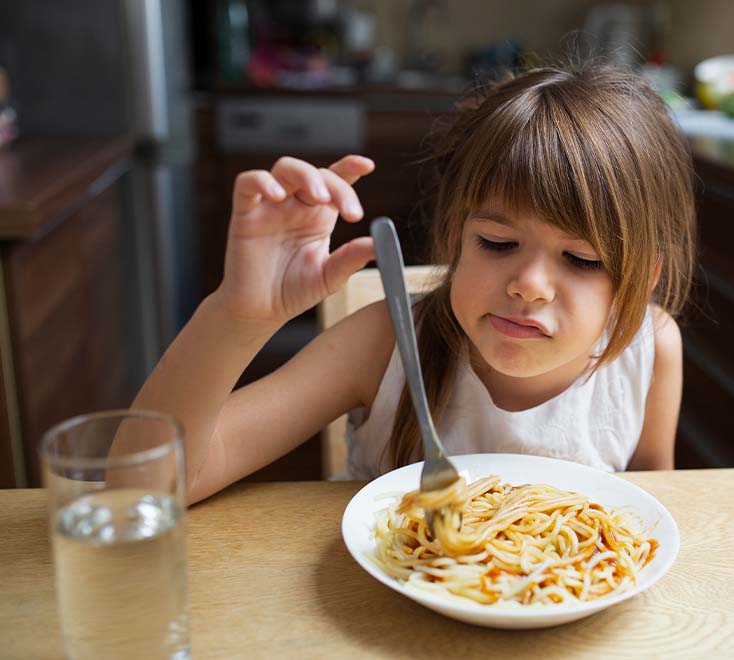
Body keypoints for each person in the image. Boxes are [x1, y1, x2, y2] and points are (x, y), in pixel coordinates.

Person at [131, 62, 695, 505]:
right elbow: (146, 486)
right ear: (454, 236)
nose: (529, 286)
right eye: (497, 244)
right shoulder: (383, 345)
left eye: (582, 259)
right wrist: (236, 316)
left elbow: (648, 504)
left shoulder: (650, 349)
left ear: (640, 281)